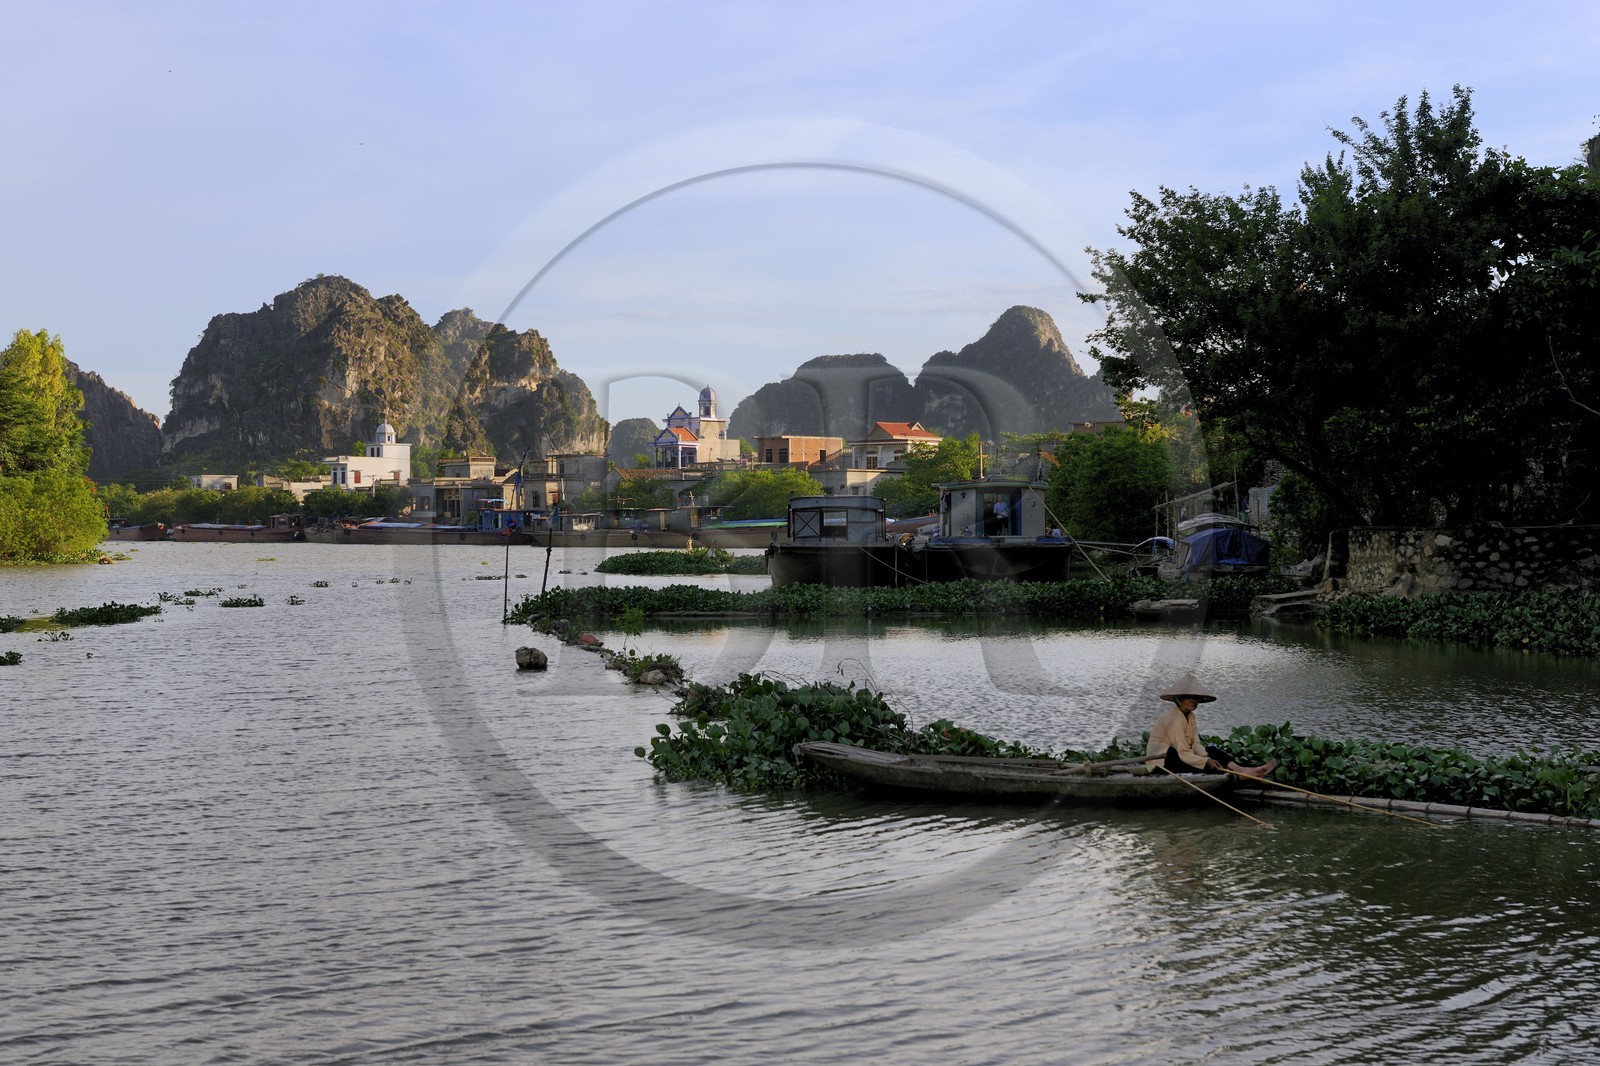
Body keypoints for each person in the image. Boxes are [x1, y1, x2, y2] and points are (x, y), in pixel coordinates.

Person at [1146, 673, 1277, 778]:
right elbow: (1183, 752)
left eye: (1196, 697)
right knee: (1204, 764)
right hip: (1162, 762)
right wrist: (1205, 762)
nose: (1193, 700)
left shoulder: (1191, 716)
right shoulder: (1173, 717)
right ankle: (1238, 774)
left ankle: (1241, 770)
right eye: (1189, 697)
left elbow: (1196, 744)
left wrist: (1206, 757)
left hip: (1181, 755)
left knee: (1212, 751)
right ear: (1179, 699)